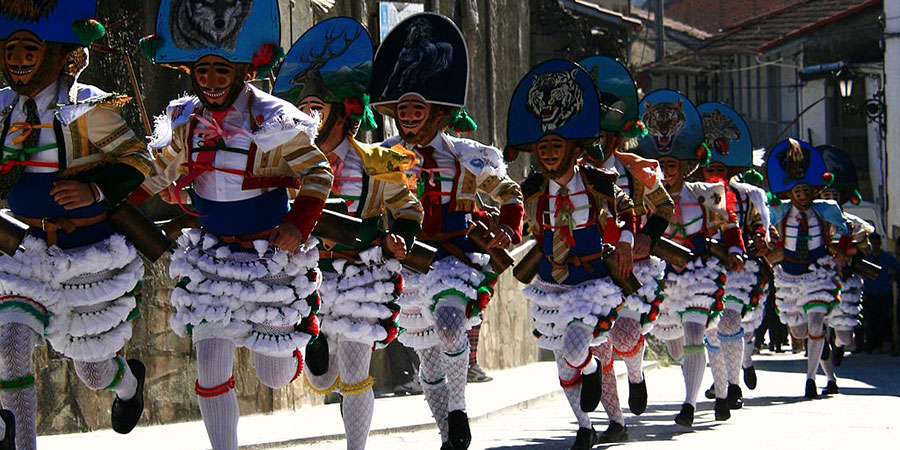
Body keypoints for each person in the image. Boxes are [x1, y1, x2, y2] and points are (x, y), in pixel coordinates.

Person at [135, 2, 332, 448]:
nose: (209, 81)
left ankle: (301, 335)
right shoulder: (184, 118)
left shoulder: (274, 115)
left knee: (274, 372)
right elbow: (157, 171)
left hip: (269, 255)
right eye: (201, 71)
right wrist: (115, 195)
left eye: (220, 71)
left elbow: (319, 173)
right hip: (210, 256)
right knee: (209, 367)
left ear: (242, 69)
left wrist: (298, 226)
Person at [0, 3, 154, 448]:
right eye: (11, 48)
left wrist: (94, 191)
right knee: (10, 351)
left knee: (92, 370)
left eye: (29, 48)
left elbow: (137, 158)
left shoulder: (87, 107)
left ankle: (127, 383)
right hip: (23, 253)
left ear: (54, 51)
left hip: (85, 252)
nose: (18, 59)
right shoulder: (3, 109)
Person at [369, 13, 524, 450]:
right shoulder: (380, 158)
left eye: (418, 108)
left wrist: (506, 231)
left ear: (437, 113)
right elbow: (351, 199)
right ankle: (448, 436)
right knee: (428, 360)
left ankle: (458, 410)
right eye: (403, 109)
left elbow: (510, 196)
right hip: (405, 264)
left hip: (453, 259)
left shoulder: (469, 156)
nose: (410, 117)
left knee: (453, 326)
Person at [273, 18, 423, 449]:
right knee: (322, 375)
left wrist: (403, 240)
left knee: (357, 370)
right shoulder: (287, 161)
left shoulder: (378, 161)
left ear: (344, 110)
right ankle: (316, 343)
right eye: (304, 108)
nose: (308, 116)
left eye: (316, 108)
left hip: (361, 275)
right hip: (309, 276)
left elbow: (408, 210)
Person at [507, 59, 636, 450]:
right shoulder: (530, 188)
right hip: (550, 284)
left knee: (579, 349)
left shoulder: (599, 181)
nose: (548, 153)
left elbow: (628, 209)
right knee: (564, 364)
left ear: (574, 147)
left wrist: (628, 240)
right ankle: (584, 426)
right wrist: (500, 234)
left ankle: (597, 371)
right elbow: (513, 220)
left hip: (591, 282)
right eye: (542, 146)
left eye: (555, 145)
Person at [635, 90, 746, 425]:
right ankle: (721, 390)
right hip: (660, 275)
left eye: (671, 165)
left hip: (698, 271)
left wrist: (736, 250)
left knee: (698, 332)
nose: (665, 172)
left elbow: (728, 226)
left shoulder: (706, 192)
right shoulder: (643, 198)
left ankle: (689, 406)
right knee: (676, 346)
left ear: (684, 166)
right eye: (659, 166)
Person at [578, 55, 674, 443]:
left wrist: (648, 235)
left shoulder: (637, 169)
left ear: (616, 137)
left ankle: (635, 373)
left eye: (604, 134)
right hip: (587, 267)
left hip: (630, 263)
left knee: (626, 334)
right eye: (591, 133)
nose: (597, 141)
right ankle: (615, 422)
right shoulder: (570, 171)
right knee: (598, 345)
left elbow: (664, 208)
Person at [767, 139, 852, 399]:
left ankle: (810, 380)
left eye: (806, 191)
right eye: (798, 193)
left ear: (813, 190)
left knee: (816, 323)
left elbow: (845, 233)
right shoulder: (778, 212)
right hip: (789, 276)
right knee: (800, 331)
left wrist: (841, 249)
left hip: (818, 272)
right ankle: (823, 362)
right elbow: (766, 235)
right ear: (790, 193)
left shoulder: (826, 210)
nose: (803, 197)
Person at [697, 102, 770, 407]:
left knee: (728, 322)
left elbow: (757, 226)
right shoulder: (692, 193)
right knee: (709, 330)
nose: (715, 175)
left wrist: (760, 237)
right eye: (710, 170)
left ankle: (734, 385)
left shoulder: (747, 195)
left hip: (739, 269)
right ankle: (721, 382)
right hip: (701, 269)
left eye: (720, 170)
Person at [862, 233, 900, 353]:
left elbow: (898, 270)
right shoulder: (867, 259)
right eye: (872, 243)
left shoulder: (887, 257)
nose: (875, 246)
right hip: (871, 293)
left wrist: (893, 276)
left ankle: (886, 344)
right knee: (871, 320)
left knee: (886, 320)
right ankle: (872, 345)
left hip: (885, 293)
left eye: (876, 243)